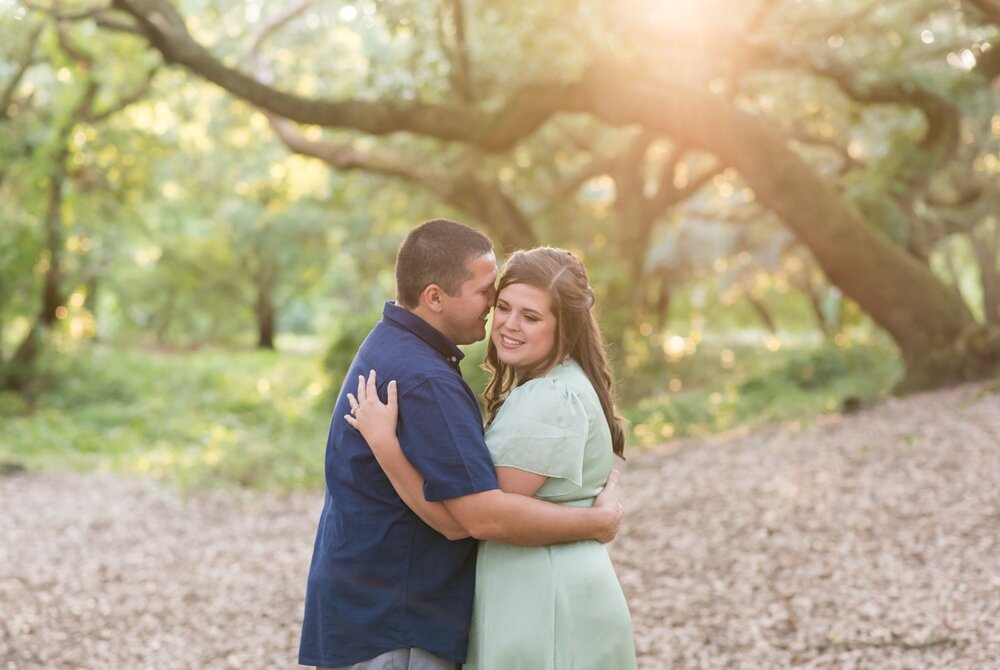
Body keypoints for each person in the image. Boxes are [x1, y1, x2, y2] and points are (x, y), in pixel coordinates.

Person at [298, 221, 623, 670]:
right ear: (434, 297)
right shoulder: (426, 379)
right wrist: (596, 522)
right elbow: (473, 519)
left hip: (384, 613)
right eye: (492, 297)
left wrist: (387, 448)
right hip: (396, 623)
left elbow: (473, 515)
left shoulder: (389, 345)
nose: (495, 312)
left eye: (527, 314)